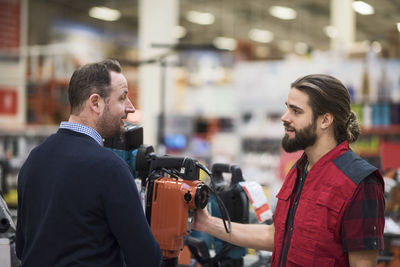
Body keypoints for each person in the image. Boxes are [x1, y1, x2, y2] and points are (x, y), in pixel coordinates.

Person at [194, 74, 385, 267]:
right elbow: (276, 235)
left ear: (325, 120)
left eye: (296, 111)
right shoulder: (299, 170)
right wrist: (207, 223)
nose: (285, 118)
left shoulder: (359, 182)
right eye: (287, 108)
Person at [16, 59, 162, 267]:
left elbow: (22, 247)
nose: (130, 108)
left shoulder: (34, 160)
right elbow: (146, 259)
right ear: (95, 103)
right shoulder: (111, 169)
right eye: (122, 98)